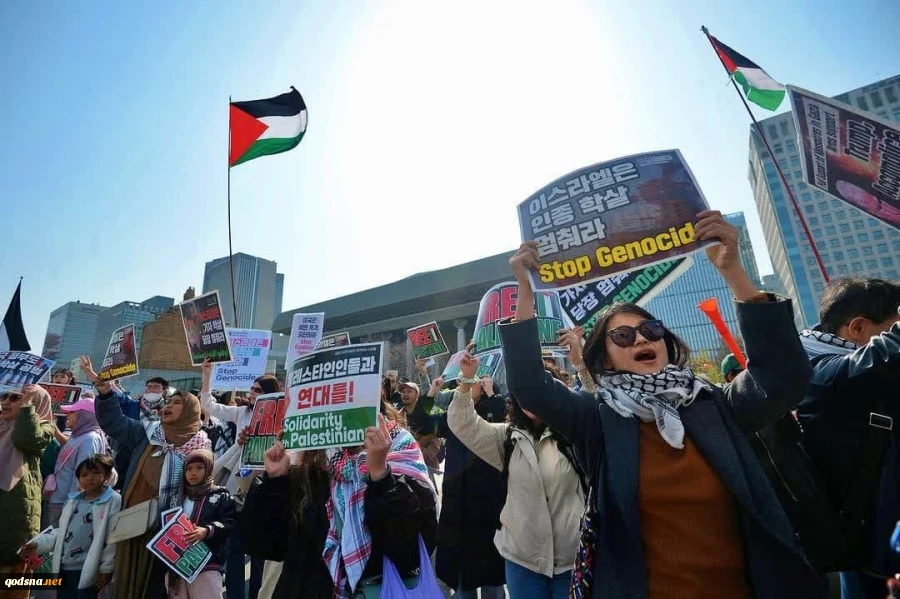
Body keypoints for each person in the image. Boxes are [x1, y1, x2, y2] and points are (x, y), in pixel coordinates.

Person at [502, 210, 823, 599]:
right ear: (605, 360)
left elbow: (783, 377)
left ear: (665, 342)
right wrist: (525, 291)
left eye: (650, 330)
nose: (641, 340)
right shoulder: (598, 418)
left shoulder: (714, 403)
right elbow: (530, 386)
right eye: (623, 336)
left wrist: (733, 271)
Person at [241, 401, 439, 598]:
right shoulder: (307, 459)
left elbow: (410, 554)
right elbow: (267, 546)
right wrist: (276, 480)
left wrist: (381, 476)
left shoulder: (400, 449)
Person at [795, 277, 900, 599]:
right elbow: (877, 360)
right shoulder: (817, 374)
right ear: (857, 328)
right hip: (873, 557)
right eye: (890, 328)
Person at [448, 363, 585, 598]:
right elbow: (464, 424)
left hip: (571, 560)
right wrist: (467, 381)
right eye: (524, 390)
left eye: (539, 389)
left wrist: (581, 364)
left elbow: (596, 409)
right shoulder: (507, 438)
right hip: (523, 562)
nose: (531, 397)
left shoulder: (575, 434)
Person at [92, 363, 210, 599]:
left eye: (177, 403)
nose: (168, 406)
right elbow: (114, 422)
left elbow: (204, 491)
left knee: (157, 586)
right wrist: (105, 394)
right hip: (133, 525)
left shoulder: (201, 447)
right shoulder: (147, 432)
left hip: (169, 532)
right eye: (168, 402)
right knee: (128, 580)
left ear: (190, 411)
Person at [407, 372, 507, 598]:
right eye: (461, 383)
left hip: (491, 504)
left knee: (493, 573)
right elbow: (420, 423)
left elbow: (505, 420)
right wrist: (432, 392)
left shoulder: (492, 410)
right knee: (463, 573)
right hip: (459, 503)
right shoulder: (452, 417)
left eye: (471, 382)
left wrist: (491, 394)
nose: (464, 386)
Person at [199, 362, 278, 599]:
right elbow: (209, 405)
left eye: (258, 390)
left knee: (259, 550)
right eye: (252, 389)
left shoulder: (281, 418)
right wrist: (207, 375)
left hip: (267, 486)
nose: (252, 393)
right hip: (239, 485)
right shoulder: (242, 413)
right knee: (235, 544)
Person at [23, 454, 121, 598]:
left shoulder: (113, 501)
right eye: (84, 475)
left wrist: (106, 568)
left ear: (106, 475)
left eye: (95, 473)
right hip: (64, 566)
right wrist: (38, 544)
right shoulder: (72, 502)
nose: (89, 478)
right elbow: (61, 532)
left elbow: (113, 537)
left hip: (88, 569)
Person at [0, 385, 54, 598]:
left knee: (11, 577)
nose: (6, 402)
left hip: (15, 515)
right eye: (4, 396)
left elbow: (26, 438)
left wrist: (27, 406)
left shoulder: (43, 425)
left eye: (15, 398)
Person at [167, 448, 236, 598]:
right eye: (189, 469)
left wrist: (207, 531)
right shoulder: (177, 498)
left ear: (209, 469)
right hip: (179, 567)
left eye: (199, 468)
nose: (193, 473)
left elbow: (229, 524)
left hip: (207, 565)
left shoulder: (220, 497)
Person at [46, 397, 110, 527]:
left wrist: (71, 505)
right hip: (58, 499)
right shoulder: (79, 435)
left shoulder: (90, 439)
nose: (67, 415)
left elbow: (83, 476)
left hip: (65, 503)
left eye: (72, 412)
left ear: (85, 416)